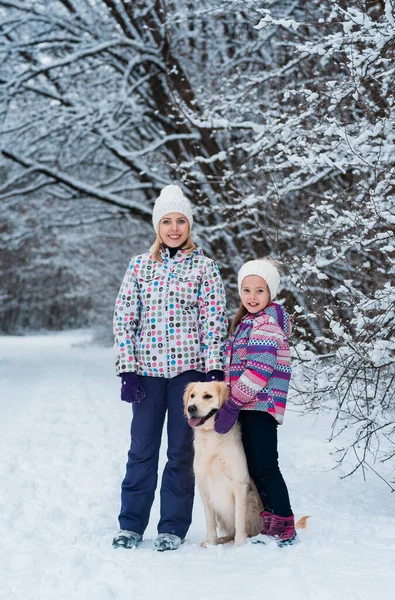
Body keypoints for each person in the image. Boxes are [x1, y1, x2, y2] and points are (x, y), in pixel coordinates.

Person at [112, 184, 228, 552]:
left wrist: (213, 372)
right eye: (167, 221)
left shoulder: (205, 268)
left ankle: (173, 527)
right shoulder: (140, 266)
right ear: (157, 225)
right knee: (142, 448)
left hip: (188, 376)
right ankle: (131, 525)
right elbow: (124, 318)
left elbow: (214, 322)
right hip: (146, 372)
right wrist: (127, 369)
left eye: (181, 221)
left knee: (181, 451)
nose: (174, 228)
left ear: (189, 225)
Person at [214, 258, 297, 546]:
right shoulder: (246, 323)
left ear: (270, 293)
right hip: (248, 406)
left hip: (260, 406)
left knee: (265, 466)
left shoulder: (266, 325)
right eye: (246, 290)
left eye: (259, 291)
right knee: (254, 466)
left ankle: (285, 522)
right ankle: (271, 520)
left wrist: (232, 403)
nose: (252, 297)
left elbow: (258, 372)